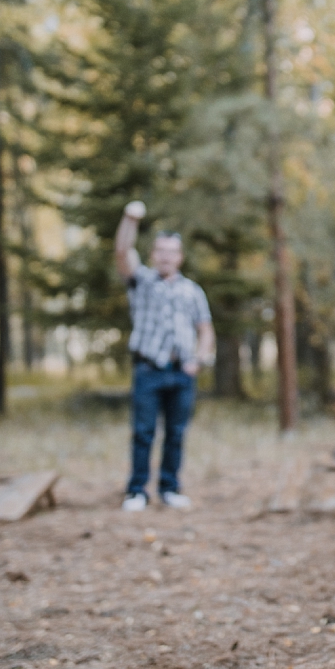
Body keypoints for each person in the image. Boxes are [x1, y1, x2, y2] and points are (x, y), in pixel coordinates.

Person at [115, 201, 215, 511]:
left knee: (176, 433)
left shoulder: (193, 291)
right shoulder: (141, 282)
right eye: (160, 250)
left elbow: (205, 329)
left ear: (180, 256)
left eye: (171, 251)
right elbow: (122, 251)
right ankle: (137, 492)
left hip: (182, 372)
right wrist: (130, 218)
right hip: (148, 370)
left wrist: (199, 360)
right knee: (143, 433)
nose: (166, 256)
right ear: (153, 254)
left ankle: (170, 488)